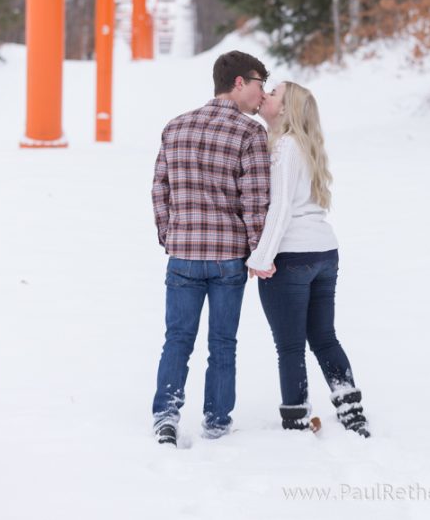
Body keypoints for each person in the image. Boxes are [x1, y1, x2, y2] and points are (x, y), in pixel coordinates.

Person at [151, 50, 270, 446]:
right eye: (258, 84)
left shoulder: (175, 126)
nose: (262, 94)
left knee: (177, 339)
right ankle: (217, 421)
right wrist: (258, 252)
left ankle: (166, 415)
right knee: (223, 342)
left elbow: (160, 190)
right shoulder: (250, 134)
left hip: (183, 254)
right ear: (239, 82)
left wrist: (171, 236)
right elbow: (255, 202)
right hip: (227, 258)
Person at [247, 81, 370, 437]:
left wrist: (261, 256)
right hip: (324, 254)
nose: (265, 96)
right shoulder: (306, 146)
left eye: (273, 94)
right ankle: (351, 408)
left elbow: (281, 207)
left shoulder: (285, 147)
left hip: (292, 258)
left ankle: (296, 418)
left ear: (285, 110)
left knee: (290, 346)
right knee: (324, 337)